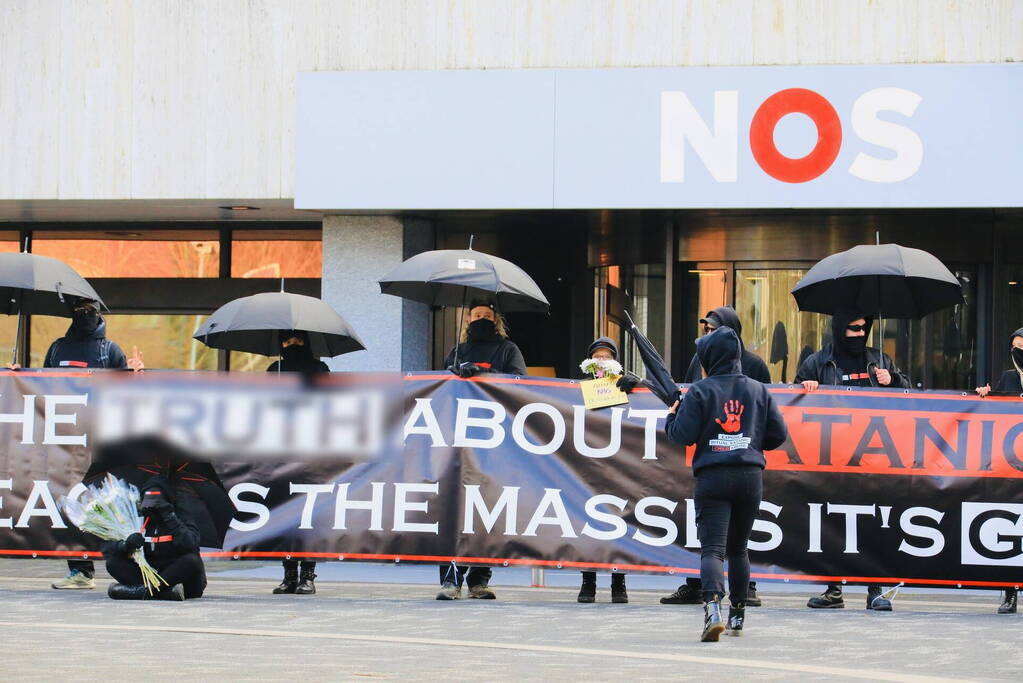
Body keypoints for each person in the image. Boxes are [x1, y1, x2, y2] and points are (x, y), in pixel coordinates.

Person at [664, 326, 788, 641]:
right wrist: (750, 440)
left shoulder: (701, 391)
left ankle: (712, 610)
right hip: (749, 477)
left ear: (709, 357)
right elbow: (778, 435)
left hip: (713, 476)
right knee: (739, 549)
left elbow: (682, 435)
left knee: (712, 550)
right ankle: (738, 616)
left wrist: (671, 415)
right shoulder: (759, 390)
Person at [796, 310, 909, 611]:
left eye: (863, 329)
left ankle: (876, 590)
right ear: (838, 329)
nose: (859, 335)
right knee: (831, 521)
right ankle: (833, 590)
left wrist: (893, 379)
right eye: (852, 329)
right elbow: (792, 403)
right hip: (831, 454)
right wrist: (806, 390)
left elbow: (909, 397)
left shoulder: (880, 360)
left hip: (873, 455)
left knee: (871, 521)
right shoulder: (817, 362)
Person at [46, 299, 143, 590]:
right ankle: (80, 571)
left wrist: (136, 373)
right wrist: (16, 374)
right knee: (71, 501)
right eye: (78, 311)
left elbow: (126, 393)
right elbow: (40, 385)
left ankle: (128, 560)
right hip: (66, 438)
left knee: (105, 501)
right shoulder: (57, 348)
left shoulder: (110, 350)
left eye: (89, 310)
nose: (84, 316)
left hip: (100, 438)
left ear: (99, 313)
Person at [437, 298, 526, 600]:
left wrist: (484, 377)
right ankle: (450, 579)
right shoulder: (456, 351)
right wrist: (455, 371)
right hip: (459, 441)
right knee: (455, 510)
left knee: (487, 510)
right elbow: (439, 386)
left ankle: (478, 579)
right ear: (467, 320)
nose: (481, 320)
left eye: (487, 316)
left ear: (496, 319)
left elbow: (520, 384)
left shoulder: (507, 350)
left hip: (493, 442)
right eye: (476, 316)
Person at [268, 331, 328, 595]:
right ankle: (288, 573)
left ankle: (308, 574)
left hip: (311, 448)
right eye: (286, 341)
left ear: (307, 342)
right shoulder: (274, 370)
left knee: (308, 513)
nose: (292, 345)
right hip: (281, 448)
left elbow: (328, 401)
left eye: (298, 341)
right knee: (284, 514)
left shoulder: (319, 368)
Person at [577, 336, 629, 604]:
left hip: (616, 464)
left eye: (606, 356)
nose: (601, 361)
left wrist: (632, 387)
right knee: (590, 524)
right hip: (588, 464)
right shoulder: (578, 389)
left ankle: (618, 582)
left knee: (618, 523)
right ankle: (588, 582)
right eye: (597, 356)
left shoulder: (624, 386)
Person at [975, 326, 1022, 615]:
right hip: (1012, 464)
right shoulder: (1008, 377)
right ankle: (1009, 593)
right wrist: (985, 396)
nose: (1019, 352)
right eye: (1015, 346)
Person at [104, 475, 206, 601]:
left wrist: (169, 517)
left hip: (180, 581)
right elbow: (107, 549)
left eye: (157, 499)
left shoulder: (181, 514)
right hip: (149, 574)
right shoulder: (138, 518)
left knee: (192, 560)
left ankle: (139, 592)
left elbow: (191, 544)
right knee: (113, 562)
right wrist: (125, 545)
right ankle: (164, 593)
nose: (153, 504)